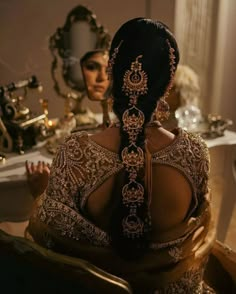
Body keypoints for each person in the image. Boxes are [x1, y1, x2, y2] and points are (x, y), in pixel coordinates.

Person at [25, 18, 236, 293]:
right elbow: (194, 238)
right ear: (169, 83)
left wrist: (41, 194)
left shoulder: (75, 153)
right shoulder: (194, 153)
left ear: (111, 73)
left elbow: (55, 246)